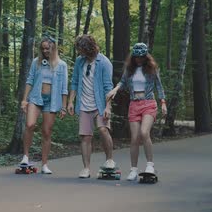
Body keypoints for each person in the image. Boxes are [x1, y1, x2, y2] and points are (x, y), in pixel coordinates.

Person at [106, 42, 167, 180]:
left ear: (146, 57)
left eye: (141, 57)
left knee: (144, 133)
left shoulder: (152, 69)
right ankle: (133, 169)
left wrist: (163, 102)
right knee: (134, 138)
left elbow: (159, 86)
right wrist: (115, 90)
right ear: (133, 57)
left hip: (149, 104)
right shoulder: (130, 70)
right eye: (136, 57)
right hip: (134, 104)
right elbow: (122, 82)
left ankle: (150, 165)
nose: (139, 59)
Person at [67, 35, 116, 178]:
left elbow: (108, 87)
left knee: (103, 130)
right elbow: (75, 82)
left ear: (88, 48)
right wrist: (70, 101)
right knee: (85, 137)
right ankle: (86, 168)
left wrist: (108, 107)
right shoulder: (79, 62)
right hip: (83, 104)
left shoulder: (104, 62)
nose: (79, 52)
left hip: (100, 104)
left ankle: (109, 160)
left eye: (81, 49)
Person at [20, 36, 68, 174]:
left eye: (48, 48)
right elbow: (29, 80)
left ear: (54, 47)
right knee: (30, 125)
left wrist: (64, 107)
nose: (45, 50)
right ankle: (25, 157)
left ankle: (45, 164)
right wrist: (24, 100)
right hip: (36, 98)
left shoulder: (62, 65)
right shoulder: (37, 62)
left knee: (46, 132)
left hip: (52, 101)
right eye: (43, 48)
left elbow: (64, 88)